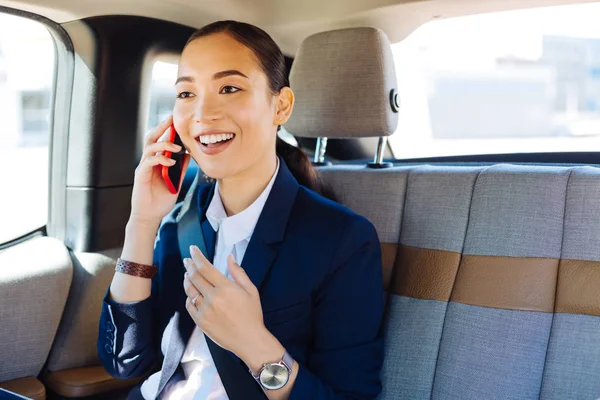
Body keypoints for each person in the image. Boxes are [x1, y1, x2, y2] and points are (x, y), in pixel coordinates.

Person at [98, 20, 384, 400]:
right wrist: (143, 221)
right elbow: (124, 362)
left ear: (280, 105)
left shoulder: (342, 240)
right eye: (186, 94)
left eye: (229, 88)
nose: (202, 112)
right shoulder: (179, 221)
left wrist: (254, 344)